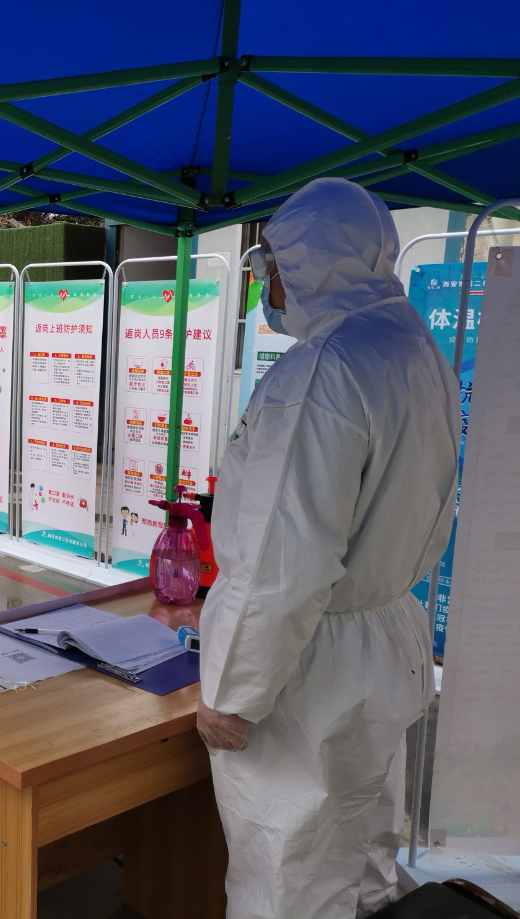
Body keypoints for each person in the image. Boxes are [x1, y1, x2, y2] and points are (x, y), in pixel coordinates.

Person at [197, 178, 460, 919]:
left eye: (270, 264)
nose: (266, 284)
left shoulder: (321, 370)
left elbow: (280, 560)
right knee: (364, 856)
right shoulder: (413, 347)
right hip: (384, 637)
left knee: (288, 877)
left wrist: (233, 693)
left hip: (312, 668)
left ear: (305, 262)